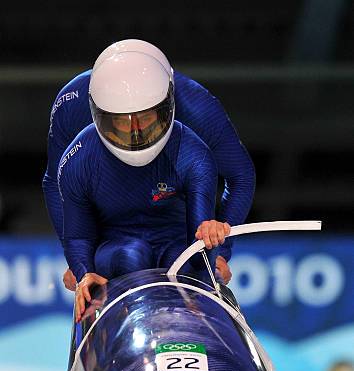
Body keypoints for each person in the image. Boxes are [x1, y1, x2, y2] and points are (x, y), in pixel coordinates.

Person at [43, 39, 255, 290]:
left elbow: (241, 176)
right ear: (94, 109)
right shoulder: (71, 104)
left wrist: (219, 250)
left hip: (174, 221)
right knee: (129, 256)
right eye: (121, 123)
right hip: (115, 230)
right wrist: (82, 265)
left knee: (179, 262)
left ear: (170, 102)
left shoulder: (199, 108)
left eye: (147, 119)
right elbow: (56, 183)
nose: (136, 135)